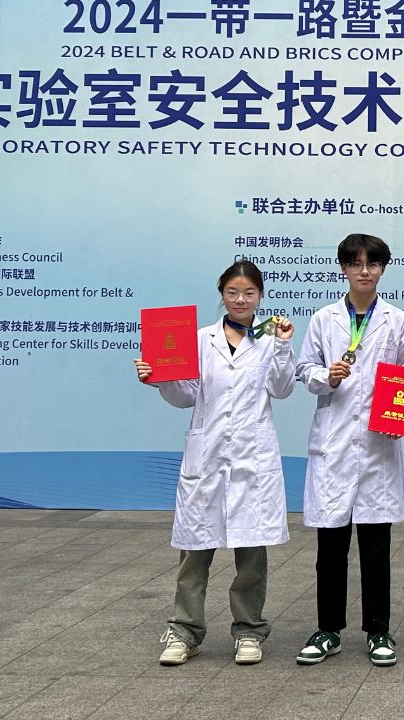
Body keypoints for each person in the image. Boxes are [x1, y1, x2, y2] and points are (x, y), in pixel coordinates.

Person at [134, 259, 295, 667]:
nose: (240, 300)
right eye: (232, 292)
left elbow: (282, 388)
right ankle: (185, 631)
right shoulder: (200, 339)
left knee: (251, 553)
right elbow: (185, 395)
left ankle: (249, 630)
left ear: (260, 296)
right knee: (194, 550)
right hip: (206, 458)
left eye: (249, 293)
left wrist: (282, 345)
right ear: (221, 294)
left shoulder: (270, 338)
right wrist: (159, 377)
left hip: (251, 459)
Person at [295, 233, 404, 668]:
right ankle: (328, 629)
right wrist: (325, 376)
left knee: (376, 547)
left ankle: (378, 630)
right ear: (343, 268)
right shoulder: (323, 319)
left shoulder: (398, 320)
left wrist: (400, 417)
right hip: (335, 442)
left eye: (372, 264)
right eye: (356, 263)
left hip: (377, 444)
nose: (364, 271)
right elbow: (303, 368)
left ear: (383, 269)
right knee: (331, 547)